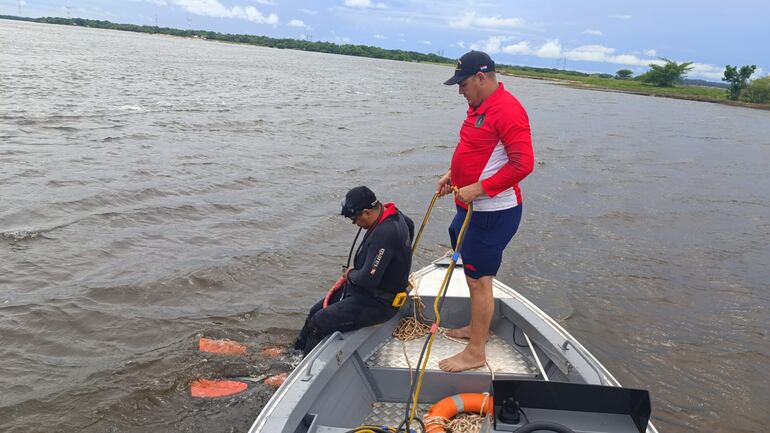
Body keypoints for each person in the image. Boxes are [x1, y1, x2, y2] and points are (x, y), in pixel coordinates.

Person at [436, 51, 534, 372]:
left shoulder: (508, 110)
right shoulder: (477, 107)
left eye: (463, 84)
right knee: (474, 274)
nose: (460, 91)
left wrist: (479, 188)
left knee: (480, 280)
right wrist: (453, 175)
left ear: (482, 77)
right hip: (468, 208)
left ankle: (476, 351)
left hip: (492, 212)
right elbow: (477, 150)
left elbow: (523, 163)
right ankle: (477, 329)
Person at [294, 186, 415, 356]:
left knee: (319, 322)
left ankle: (299, 369)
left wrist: (350, 274)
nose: (354, 223)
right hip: (365, 292)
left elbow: (367, 279)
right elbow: (410, 225)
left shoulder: (385, 234)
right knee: (315, 310)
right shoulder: (395, 214)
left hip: (379, 304)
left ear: (366, 212)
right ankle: (294, 352)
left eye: (354, 219)